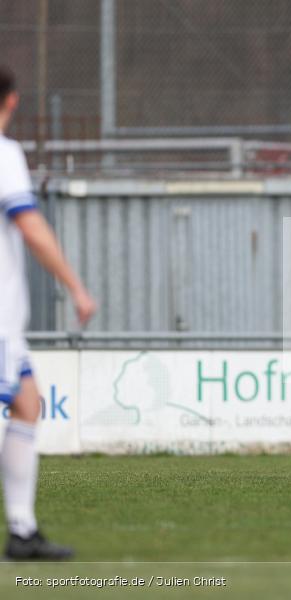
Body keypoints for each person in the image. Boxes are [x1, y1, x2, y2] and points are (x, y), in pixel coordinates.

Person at [0, 65, 97, 559]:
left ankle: (22, 531)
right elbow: (32, 228)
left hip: (7, 323)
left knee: (27, 403)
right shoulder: (4, 154)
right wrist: (75, 286)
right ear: (12, 100)